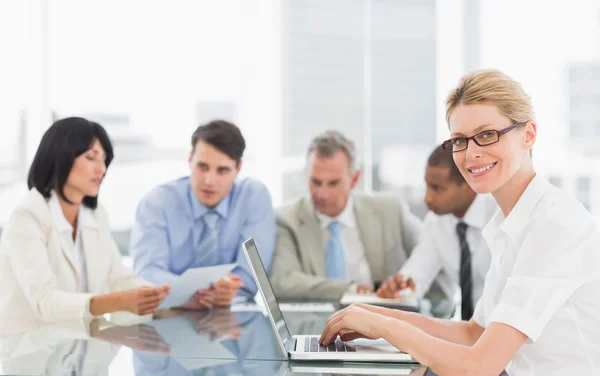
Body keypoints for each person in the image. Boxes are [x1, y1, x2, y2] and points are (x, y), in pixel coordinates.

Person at [319, 70, 600, 375]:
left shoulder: (552, 224)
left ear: (528, 134)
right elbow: (473, 334)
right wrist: (368, 314)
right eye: (459, 141)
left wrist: (382, 325)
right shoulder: (509, 223)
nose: (472, 153)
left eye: (487, 134)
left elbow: (478, 367)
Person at [0, 117, 170, 336]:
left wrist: (153, 294)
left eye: (105, 160)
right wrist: (119, 302)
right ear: (61, 158)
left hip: (81, 349)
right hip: (32, 353)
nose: (101, 169)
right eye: (91, 158)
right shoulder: (27, 218)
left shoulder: (96, 216)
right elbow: (45, 302)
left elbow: (116, 277)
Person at [130, 120, 276, 307]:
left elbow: (251, 276)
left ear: (238, 169)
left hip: (233, 316)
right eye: (202, 167)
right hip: (170, 312)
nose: (209, 181)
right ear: (190, 160)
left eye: (222, 170)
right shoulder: (157, 203)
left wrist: (227, 290)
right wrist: (195, 295)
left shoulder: (253, 196)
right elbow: (147, 272)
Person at [271, 130, 428, 301]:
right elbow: (283, 281)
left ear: (354, 179)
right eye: (315, 182)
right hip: (317, 324)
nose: (322, 194)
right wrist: (352, 290)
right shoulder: (286, 220)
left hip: (380, 320)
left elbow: (429, 249)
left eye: (333, 183)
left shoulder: (390, 210)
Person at [377, 145, 497, 320]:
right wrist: (399, 285)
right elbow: (417, 274)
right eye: (427, 186)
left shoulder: (499, 216)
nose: (427, 198)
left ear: (468, 183)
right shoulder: (437, 221)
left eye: (437, 188)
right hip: (466, 332)